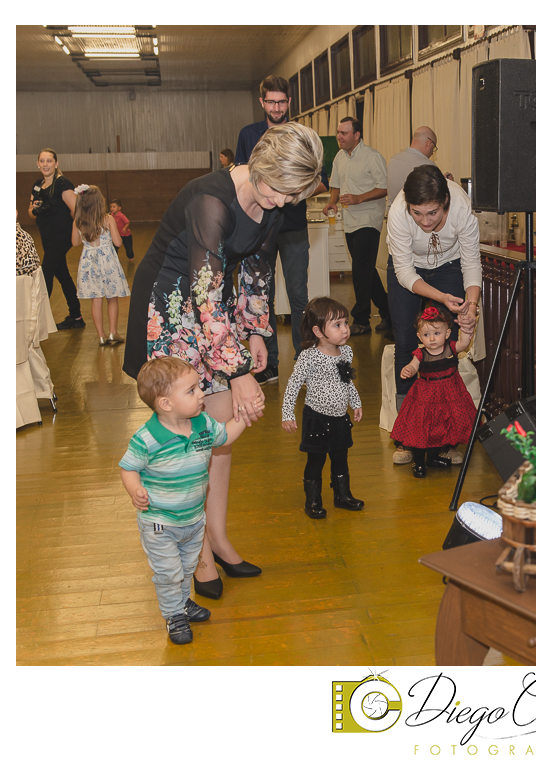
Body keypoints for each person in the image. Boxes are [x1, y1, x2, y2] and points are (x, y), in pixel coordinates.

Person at [123, 122, 324, 601]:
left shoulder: (274, 200)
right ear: (257, 167)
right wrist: (240, 373)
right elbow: (205, 296)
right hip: (170, 311)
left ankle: (218, 537)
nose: (281, 203)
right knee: (186, 435)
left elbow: (256, 265)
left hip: (212, 310)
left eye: (292, 197)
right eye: (278, 191)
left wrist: (256, 330)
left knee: (218, 431)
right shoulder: (210, 201)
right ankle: (199, 555)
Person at [119, 357, 251, 644]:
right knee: (169, 572)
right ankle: (173, 615)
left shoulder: (202, 423)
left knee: (188, 567)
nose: (202, 393)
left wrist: (244, 416)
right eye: (192, 391)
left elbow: (224, 437)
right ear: (166, 404)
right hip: (160, 523)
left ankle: (181, 603)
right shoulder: (148, 438)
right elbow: (128, 467)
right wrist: (135, 490)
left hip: (193, 520)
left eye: (199, 387)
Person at [236, 76, 328, 385]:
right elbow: (241, 178)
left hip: (292, 229)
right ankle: (269, 364)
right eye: (271, 102)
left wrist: (292, 193)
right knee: (262, 298)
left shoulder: (302, 135)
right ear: (262, 103)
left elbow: (321, 182)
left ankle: (306, 364)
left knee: (299, 296)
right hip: (259, 231)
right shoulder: (248, 135)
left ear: (289, 103)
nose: (277, 107)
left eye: (282, 102)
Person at [386, 164, 481, 464]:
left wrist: (471, 308)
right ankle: (407, 436)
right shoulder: (399, 212)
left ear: (445, 204)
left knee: (443, 346)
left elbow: (471, 263)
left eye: (433, 213)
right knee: (404, 342)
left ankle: (444, 436)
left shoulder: (462, 207)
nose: (425, 221)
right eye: (418, 213)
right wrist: (441, 297)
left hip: (449, 266)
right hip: (408, 272)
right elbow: (403, 271)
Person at [282, 297, 364, 516]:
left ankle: (342, 496)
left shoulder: (346, 352)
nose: (345, 329)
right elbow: (293, 385)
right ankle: (313, 501)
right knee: (315, 460)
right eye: (337, 325)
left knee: (340, 457)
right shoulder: (309, 357)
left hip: (340, 417)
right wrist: (287, 413)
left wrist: (355, 402)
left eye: (345, 323)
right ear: (318, 331)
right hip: (316, 419)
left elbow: (346, 379)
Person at [389, 306, 477, 478]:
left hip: (450, 393)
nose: (432, 339)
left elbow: (465, 343)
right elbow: (413, 366)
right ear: (419, 337)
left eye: (437, 333)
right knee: (422, 427)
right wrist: (408, 370)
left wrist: (466, 329)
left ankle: (434, 457)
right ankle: (420, 461)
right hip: (426, 395)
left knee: (442, 426)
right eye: (427, 335)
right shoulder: (420, 353)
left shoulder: (451, 348)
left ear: (447, 333)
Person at [323, 116, 391, 336]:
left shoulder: (372, 157)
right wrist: (332, 202)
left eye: (344, 133)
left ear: (356, 135)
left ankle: (361, 320)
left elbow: (384, 187)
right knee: (366, 271)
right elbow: (335, 184)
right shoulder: (340, 157)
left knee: (360, 271)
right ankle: (389, 312)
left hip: (369, 221)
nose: (339, 137)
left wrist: (359, 198)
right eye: (338, 132)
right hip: (349, 221)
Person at [29, 148, 84, 329]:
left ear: (56, 163)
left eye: (49, 161)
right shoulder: (37, 185)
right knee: (63, 274)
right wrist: (36, 207)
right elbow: (31, 212)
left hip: (61, 237)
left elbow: (76, 209)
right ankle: (76, 317)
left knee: (46, 273)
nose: (45, 164)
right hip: (47, 236)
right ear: (38, 164)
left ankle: (36, 321)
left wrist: (75, 234)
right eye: (42, 161)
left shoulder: (62, 184)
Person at [72, 184, 130, 346]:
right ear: (99, 202)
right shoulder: (108, 219)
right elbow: (118, 242)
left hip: (89, 261)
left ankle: (101, 336)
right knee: (112, 297)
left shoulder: (79, 220)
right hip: (108, 260)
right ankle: (113, 332)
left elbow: (75, 242)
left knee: (96, 299)